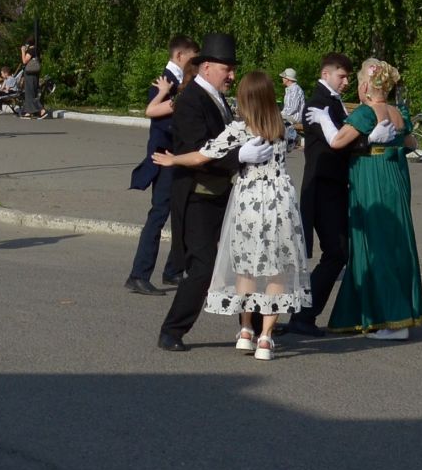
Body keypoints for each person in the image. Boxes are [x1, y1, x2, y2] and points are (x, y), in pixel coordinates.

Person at [153, 70, 307, 362]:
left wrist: (173, 159)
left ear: (245, 99)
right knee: (277, 268)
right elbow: (293, 143)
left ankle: (247, 330)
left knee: (246, 266)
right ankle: (266, 337)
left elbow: (202, 155)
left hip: (248, 201)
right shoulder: (284, 127)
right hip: (280, 201)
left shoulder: (239, 130)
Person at [327, 59, 422, 339]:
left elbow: (337, 141)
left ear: (366, 86)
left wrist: (324, 120)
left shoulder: (365, 113)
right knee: (396, 241)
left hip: (372, 181)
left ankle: (392, 320)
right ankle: (377, 312)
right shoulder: (399, 111)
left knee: (377, 245)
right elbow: (412, 143)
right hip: (395, 178)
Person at [157, 32, 240, 351]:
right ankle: (172, 330)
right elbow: (198, 150)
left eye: (232, 69)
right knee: (203, 266)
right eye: (226, 69)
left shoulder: (214, 96)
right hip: (197, 196)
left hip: (219, 193)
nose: (231, 75)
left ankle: (256, 325)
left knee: (239, 260)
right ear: (207, 67)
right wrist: (239, 158)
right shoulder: (192, 99)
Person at [284, 53, 355, 339]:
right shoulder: (318, 103)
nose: (347, 81)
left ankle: (304, 314)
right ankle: (303, 315)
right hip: (324, 187)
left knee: (337, 253)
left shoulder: (330, 101)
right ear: (326, 74)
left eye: (349, 76)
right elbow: (335, 142)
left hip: (332, 186)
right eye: (342, 76)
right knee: (336, 253)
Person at [127, 36, 196, 297]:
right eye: (192, 58)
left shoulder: (180, 82)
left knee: (181, 214)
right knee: (159, 215)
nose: (196, 64)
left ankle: (173, 270)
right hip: (164, 158)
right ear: (180, 56)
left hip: (176, 158)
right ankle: (138, 274)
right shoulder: (164, 81)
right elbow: (160, 124)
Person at [280, 67, 306, 136]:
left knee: (274, 119)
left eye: (283, 77)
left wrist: (280, 114)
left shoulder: (295, 89)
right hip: (290, 116)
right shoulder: (290, 89)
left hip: (295, 118)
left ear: (288, 79)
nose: (282, 78)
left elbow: (293, 108)